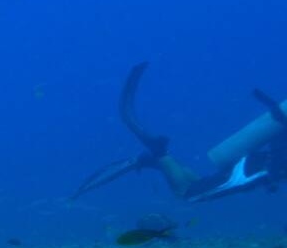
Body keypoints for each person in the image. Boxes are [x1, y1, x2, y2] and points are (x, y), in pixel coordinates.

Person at [74, 62, 282, 202]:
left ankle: (159, 157)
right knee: (188, 193)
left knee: (197, 185)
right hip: (259, 168)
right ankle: (157, 155)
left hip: (262, 164)